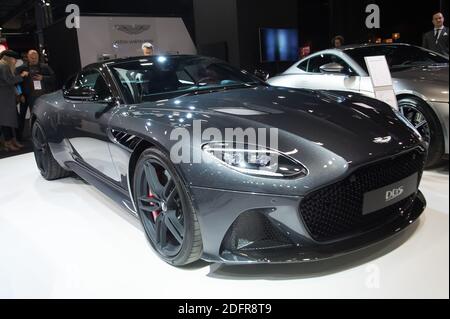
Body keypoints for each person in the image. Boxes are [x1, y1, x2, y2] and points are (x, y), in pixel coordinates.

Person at [16, 49, 55, 141]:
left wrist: (43, 78)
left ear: (38, 57)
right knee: (22, 116)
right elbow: (15, 82)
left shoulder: (44, 67)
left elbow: (54, 78)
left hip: (42, 96)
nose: (34, 59)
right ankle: (19, 138)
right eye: (32, 57)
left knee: (43, 116)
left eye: (35, 57)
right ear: (28, 58)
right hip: (26, 96)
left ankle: (43, 134)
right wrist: (20, 93)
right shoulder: (22, 68)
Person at [0, 50, 28, 151]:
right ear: (10, 58)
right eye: (15, 59)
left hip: (5, 98)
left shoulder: (3, 65)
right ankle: (8, 142)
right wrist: (21, 76)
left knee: (9, 120)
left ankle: (12, 141)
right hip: (3, 98)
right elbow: (9, 81)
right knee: (6, 121)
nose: (15, 61)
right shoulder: (3, 66)